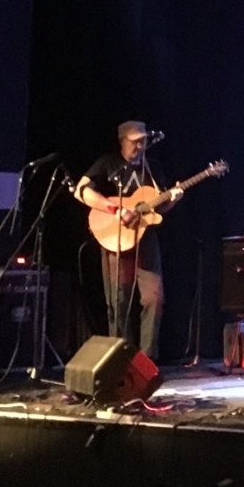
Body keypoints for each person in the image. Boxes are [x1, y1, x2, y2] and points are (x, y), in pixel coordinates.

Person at [73, 121, 183, 361]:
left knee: (154, 299)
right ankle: (121, 363)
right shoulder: (108, 164)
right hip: (116, 238)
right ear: (122, 140)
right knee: (119, 302)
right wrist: (115, 208)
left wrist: (173, 199)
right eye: (135, 141)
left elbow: (159, 208)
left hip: (146, 241)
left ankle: (146, 363)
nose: (140, 146)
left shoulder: (152, 168)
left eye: (143, 141)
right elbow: (81, 190)